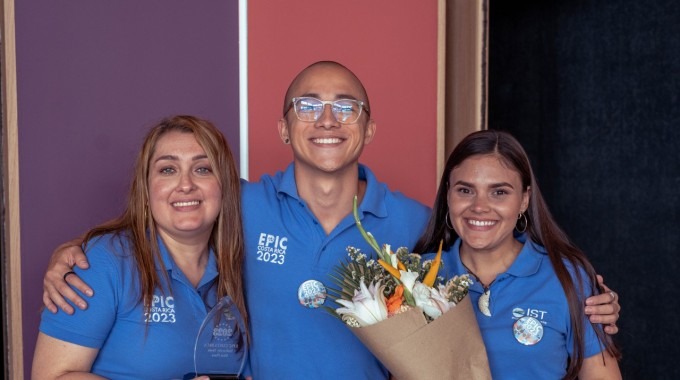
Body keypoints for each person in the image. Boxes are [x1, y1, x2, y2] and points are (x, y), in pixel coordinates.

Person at [39, 62, 620, 378]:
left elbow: (489, 256)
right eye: (307, 106)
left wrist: (584, 296)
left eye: (346, 107)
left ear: (368, 129)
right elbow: (173, 213)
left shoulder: (419, 226)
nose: (327, 120)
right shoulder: (238, 207)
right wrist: (77, 249)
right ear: (283, 128)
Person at [32, 115, 247, 379]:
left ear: (225, 186)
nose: (186, 184)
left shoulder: (243, 266)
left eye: (203, 169)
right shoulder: (104, 261)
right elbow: (51, 376)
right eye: (168, 169)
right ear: (145, 191)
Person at [414, 130, 621, 379]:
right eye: (465, 191)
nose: (479, 207)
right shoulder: (416, 278)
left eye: (499, 192)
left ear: (524, 199)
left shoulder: (566, 277)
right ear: (448, 194)